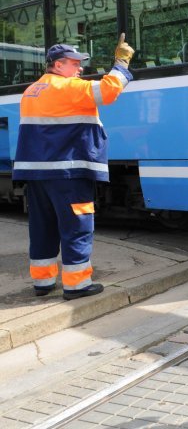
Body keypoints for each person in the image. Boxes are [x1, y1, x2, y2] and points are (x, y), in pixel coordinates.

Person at [13, 35, 135, 300]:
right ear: (58, 65)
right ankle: (77, 285)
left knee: (42, 227)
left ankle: (43, 282)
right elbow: (108, 91)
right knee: (76, 227)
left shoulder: (32, 91)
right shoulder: (67, 88)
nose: (80, 69)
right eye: (74, 64)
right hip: (68, 174)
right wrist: (121, 63)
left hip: (37, 175)